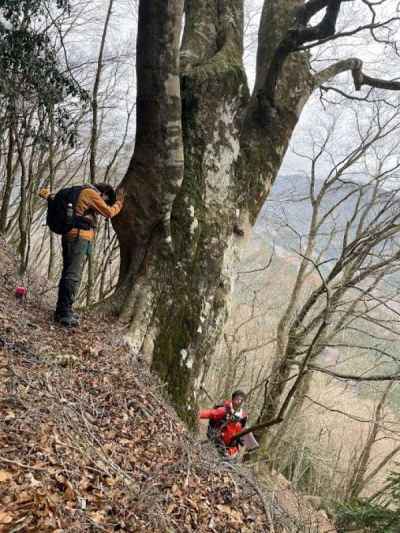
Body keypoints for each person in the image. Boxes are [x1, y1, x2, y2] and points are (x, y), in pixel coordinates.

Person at [39, 183, 124, 327]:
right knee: (73, 275)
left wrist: (46, 193)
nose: (102, 202)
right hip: (79, 238)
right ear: (103, 194)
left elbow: (51, 196)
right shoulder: (91, 194)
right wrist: (119, 203)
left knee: (68, 273)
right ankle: (64, 313)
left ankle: (63, 310)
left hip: (70, 236)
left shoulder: (77, 191)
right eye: (104, 199)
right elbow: (109, 212)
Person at [199, 390, 248, 458]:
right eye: (237, 399)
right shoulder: (224, 410)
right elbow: (210, 413)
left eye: (241, 400)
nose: (239, 402)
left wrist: (230, 452)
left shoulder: (243, 418)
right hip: (217, 441)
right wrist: (196, 414)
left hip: (229, 448)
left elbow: (238, 440)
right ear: (232, 399)